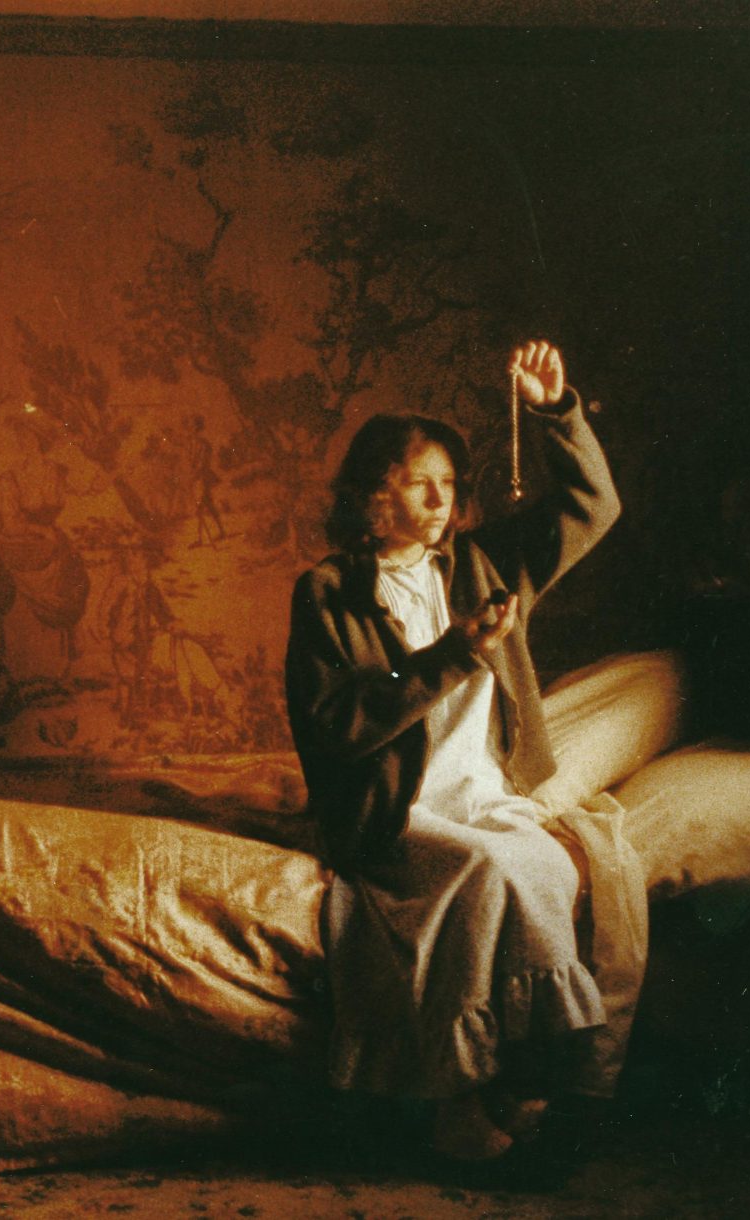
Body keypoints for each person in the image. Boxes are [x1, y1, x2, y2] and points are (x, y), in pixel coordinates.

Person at [284, 341, 621, 1172]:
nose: (441, 500)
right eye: (417, 482)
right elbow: (338, 726)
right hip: (393, 807)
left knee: (545, 868)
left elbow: (593, 507)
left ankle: (523, 1095)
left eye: (447, 483)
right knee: (489, 870)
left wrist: (554, 410)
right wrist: (450, 655)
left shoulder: (482, 564)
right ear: (373, 495)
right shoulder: (329, 593)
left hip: (482, 792)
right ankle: (463, 1101)